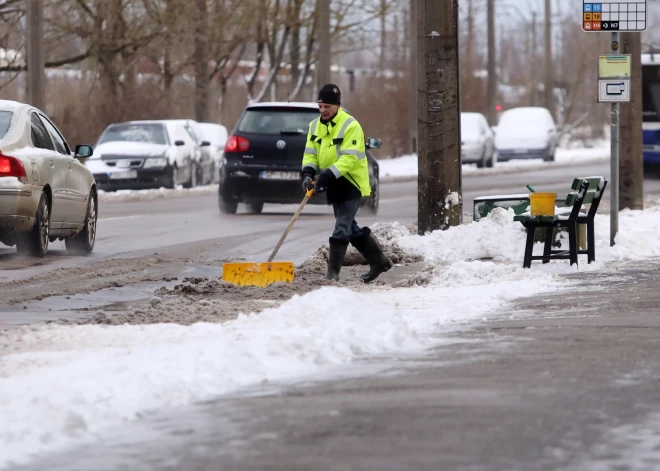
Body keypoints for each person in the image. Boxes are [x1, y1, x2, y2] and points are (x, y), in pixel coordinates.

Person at [301, 83, 393, 283]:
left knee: (341, 227)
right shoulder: (314, 126)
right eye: (320, 106)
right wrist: (307, 174)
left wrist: (324, 178)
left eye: (327, 106)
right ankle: (379, 261)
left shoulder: (351, 126)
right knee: (350, 229)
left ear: (337, 106)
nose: (323, 110)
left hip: (351, 182)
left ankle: (332, 274)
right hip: (334, 182)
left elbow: (348, 160)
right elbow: (310, 153)